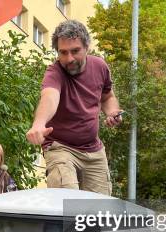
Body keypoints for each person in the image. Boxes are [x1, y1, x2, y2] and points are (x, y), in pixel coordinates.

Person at [26, 20, 123, 195]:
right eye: (63, 53)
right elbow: (49, 97)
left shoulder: (100, 67)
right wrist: (39, 124)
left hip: (93, 150)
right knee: (67, 202)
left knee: (99, 212)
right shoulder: (54, 73)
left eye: (75, 51)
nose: (69, 59)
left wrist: (112, 112)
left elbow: (107, 96)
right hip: (60, 148)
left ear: (87, 47)